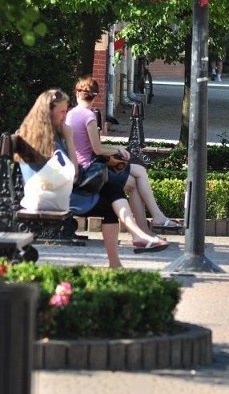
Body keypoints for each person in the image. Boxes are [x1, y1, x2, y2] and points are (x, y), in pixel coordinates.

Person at [15, 89, 167, 269]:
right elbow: (73, 173)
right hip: (54, 198)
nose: (65, 116)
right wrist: (70, 139)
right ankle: (128, 247)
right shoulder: (45, 139)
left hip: (57, 192)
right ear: (48, 111)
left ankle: (132, 242)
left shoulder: (40, 132)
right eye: (62, 112)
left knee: (113, 190)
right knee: (112, 199)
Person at [66, 77, 180, 235]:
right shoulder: (88, 117)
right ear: (95, 96)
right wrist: (117, 149)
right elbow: (97, 149)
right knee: (137, 177)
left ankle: (149, 226)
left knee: (137, 176)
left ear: (77, 94)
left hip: (84, 168)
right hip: (91, 171)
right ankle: (151, 224)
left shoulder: (71, 115)